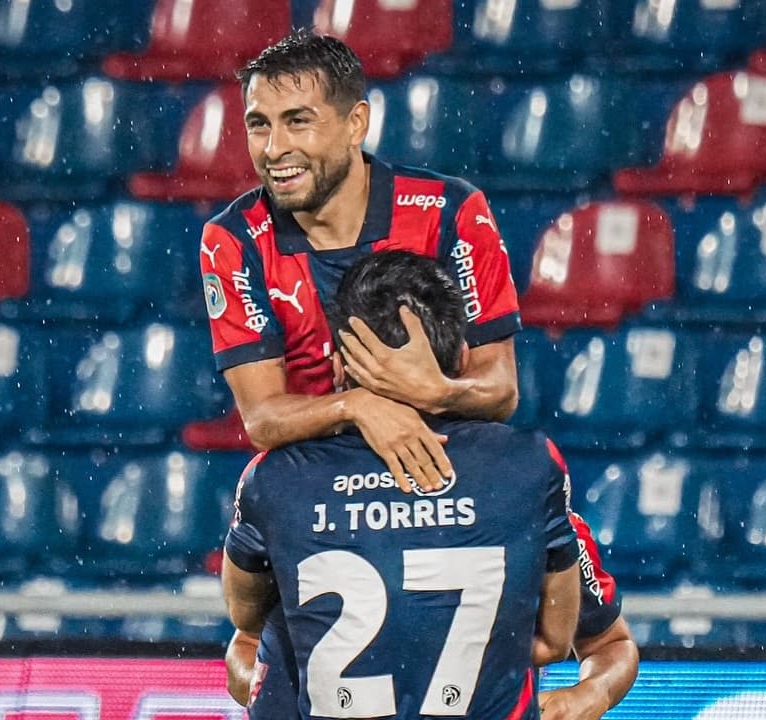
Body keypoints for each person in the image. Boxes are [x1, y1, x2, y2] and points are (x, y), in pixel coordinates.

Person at [222, 251, 582, 719]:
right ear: (463, 356)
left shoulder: (275, 478)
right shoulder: (530, 464)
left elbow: (244, 617)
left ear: (335, 366)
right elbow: (556, 637)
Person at [198, 28, 521, 493]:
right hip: (317, 492)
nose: (273, 149)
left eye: (297, 121)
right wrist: (357, 406)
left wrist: (442, 392)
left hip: (449, 475)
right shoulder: (233, 238)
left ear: (356, 123)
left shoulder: (450, 211)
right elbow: (262, 418)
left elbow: (502, 389)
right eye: (259, 124)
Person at [225, 510, 640, 720]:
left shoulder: (533, 505)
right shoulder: (308, 505)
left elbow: (611, 644)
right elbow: (245, 647)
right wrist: (279, 688)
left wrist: (588, 695)